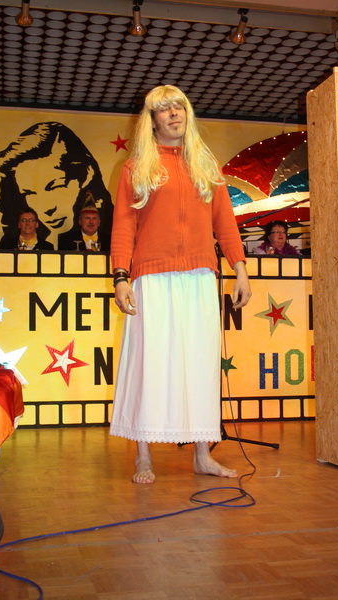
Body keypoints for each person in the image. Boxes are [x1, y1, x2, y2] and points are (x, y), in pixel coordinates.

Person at [110, 84, 252, 484]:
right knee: (149, 363)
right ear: (152, 120)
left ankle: (203, 455)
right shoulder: (136, 167)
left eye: (179, 107)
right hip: (151, 277)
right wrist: (121, 276)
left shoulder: (206, 164)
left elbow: (225, 223)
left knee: (200, 364)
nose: (174, 113)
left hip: (199, 276)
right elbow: (123, 225)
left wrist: (240, 269)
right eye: (165, 109)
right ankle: (143, 456)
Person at [0, 122, 113, 249]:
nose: (48, 209)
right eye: (29, 193)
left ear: (85, 177)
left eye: (55, 187)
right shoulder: (7, 244)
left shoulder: (110, 237)